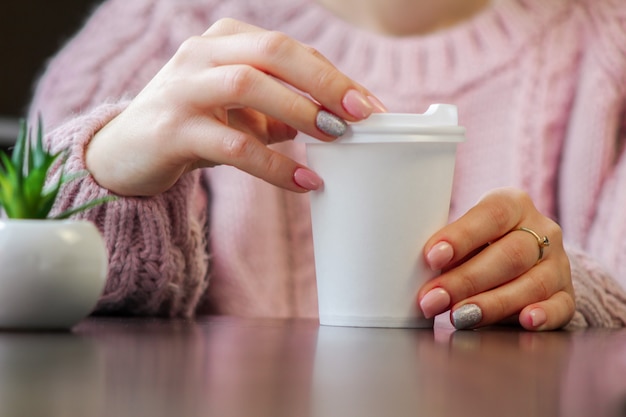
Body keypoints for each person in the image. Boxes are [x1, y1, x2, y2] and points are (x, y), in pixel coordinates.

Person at [28, 0, 626, 330]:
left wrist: (573, 299)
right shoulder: (154, 35)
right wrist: (104, 183)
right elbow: (37, 307)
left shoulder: (611, 47)